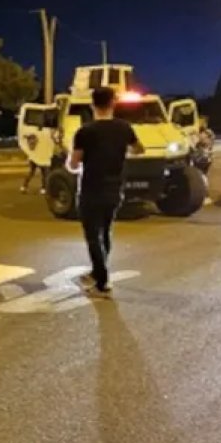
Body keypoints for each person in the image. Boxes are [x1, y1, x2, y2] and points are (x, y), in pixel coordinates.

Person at [69, 86, 143, 299]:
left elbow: (74, 164)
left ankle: (102, 282)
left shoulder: (85, 131)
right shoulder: (124, 128)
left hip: (91, 189)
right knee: (106, 231)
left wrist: (74, 159)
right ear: (113, 104)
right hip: (114, 188)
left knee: (93, 236)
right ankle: (97, 272)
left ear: (92, 105)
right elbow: (140, 149)